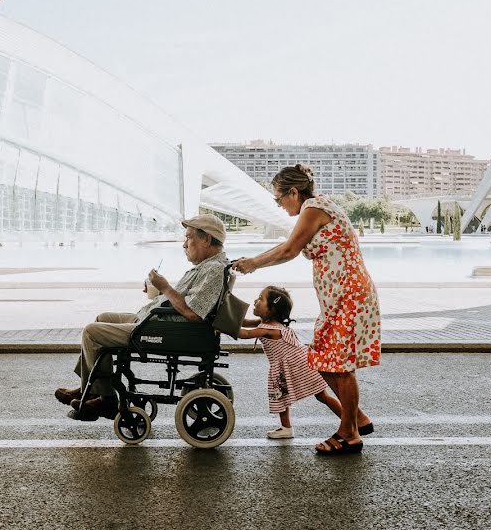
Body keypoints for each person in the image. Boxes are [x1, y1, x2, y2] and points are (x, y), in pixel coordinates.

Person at [234, 164, 379, 455]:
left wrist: (253, 263)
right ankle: (356, 417)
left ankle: (349, 433)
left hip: (349, 296)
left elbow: (289, 249)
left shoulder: (314, 208)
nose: (278, 204)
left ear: (294, 192)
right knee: (322, 359)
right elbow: (290, 245)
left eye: (279, 198)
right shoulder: (314, 208)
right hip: (338, 299)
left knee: (340, 366)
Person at [55, 214, 229, 421]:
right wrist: (158, 293)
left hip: (163, 330)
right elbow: (185, 302)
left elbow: (193, 313)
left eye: (188, 238)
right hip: (157, 322)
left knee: (92, 332)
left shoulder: (214, 270)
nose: (184, 244)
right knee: (102, 318)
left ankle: (106, 399)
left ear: (207, 240)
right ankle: (90, 388)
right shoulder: (208, 267)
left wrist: (165, 286)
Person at [240, 285, 362, 440]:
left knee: (312, 396)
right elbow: (243, 322)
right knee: (299, 396)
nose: (256, 301)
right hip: (300, 362)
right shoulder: (265, 323)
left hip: (298, 365)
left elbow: (245, 333)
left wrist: (221, 327)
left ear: (271, 310)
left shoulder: (269, 329)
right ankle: (349, 421)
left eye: (261, 299)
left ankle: (350, 421)